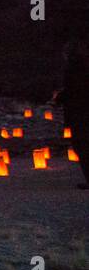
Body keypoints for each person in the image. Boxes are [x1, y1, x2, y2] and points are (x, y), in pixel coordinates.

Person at [54, 39, 89, 188]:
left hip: (80, 114)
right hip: (81, 112)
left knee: (82, 146)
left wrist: (60, 98)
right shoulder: (82, 67)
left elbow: (74, 91)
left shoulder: (75, 69)